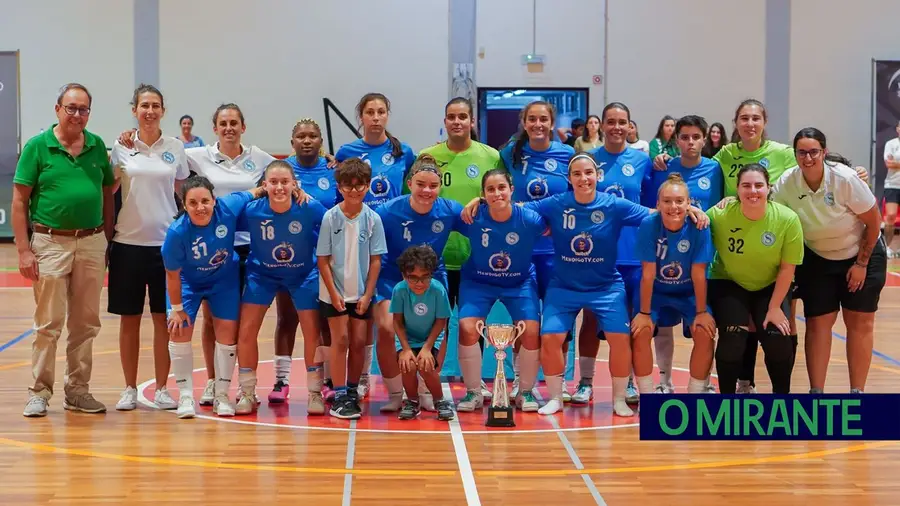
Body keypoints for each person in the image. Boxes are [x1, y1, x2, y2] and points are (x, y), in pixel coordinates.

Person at [118, 103, 278, 406]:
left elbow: (282, 175)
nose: (229, 127)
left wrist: (325, 161)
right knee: (208, 320)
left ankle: (243, 387)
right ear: (214, 127)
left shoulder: (260, 158)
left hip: (247, 248)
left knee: (237, 323)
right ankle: (210, 386)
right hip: (207, 244)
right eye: (223, 123)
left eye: (234, 122)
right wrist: (131, 137)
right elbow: (161, 155)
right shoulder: (195, 154)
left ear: (243, 126)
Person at [516, 154, 654, 416]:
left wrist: (689, 210)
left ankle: (618, 399)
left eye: (588, 173)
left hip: (606, 287)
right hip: (564, 286)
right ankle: (556, 397)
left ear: (597, 176)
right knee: (551, 337)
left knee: (619, 338)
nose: (583, 178)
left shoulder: (614, 205)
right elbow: (519, 209)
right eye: (577, 174)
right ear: (569, 178)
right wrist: (540, 223)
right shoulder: (556, 203)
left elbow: (653, 215)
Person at [15, 83, 114, 417]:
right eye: (71, 108)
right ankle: (39, 392)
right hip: (49, 242)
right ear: (57, 109)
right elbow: (19, 202)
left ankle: (78, 391)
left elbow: (107, 192)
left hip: (91, 242)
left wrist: (107, 241)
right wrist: (24, 251)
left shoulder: (98, 146)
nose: (77, 114)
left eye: (83, 109)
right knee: (48, 323)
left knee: (86, 324)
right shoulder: (37, 147)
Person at [774, 128, 886, 393]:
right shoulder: (787, 183)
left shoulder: (844, 179)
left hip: (861, 253)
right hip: (818, 258)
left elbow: (873, 222)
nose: (808, 157)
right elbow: (775, 219)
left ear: (824, 152)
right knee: (818, 323)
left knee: (858, 322)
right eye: (802, 152)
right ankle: (817, 393)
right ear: (795, 154)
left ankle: (856, 393)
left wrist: (860, 265)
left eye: (814, 151)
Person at [109, 84, 190, 412]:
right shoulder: (121, 146)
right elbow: (110, 187)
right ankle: (129, 388)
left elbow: (182, 190)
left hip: (166, 246)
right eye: (144, 105)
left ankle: (161, 388)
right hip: (127, 243)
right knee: (130, 319)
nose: (150, 111)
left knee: (163, 319)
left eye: (156, 105)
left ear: (163, 111)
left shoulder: (176, 147)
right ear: (135, 109)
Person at [162, 177, 266, 418]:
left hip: (223, 280)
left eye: (205, 201)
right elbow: (172, 275)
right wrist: (177, 308)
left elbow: (254, 191)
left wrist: (284, 188)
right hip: (188, 283)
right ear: (185, 206)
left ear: (214, 200)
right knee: (178, 329)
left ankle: (221, 395)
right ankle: (186, 396)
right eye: (193, 203)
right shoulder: (177, 232)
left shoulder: (228, 207)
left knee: (227, 335)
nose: (200, 207)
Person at [336, 92, 416, 400]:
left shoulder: (402, 151)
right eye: (370, 112)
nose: (376, 117)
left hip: (393, 233)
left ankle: (405, 377)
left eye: (381, 111)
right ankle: (364, 375)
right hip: (359, 231)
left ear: (387, 115)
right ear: (361, 117)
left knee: (387, 307)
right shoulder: (347, 150)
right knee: (362, 305)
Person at [374, 154, 464, 412]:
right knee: (387, 328)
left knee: (438, 327)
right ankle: (394, 393)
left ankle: (425, 387)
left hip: (432, 278)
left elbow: (481, 221)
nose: (427, 191)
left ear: (440, 187)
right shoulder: (388, 211)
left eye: (433, 186)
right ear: (410, 183)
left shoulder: (449, 209)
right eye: (421, 184)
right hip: (392, 277)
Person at [234, 161, 325, 415]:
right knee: (247, 329)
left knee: (311, 332)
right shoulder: (252, 210)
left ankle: (314, 392)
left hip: (302, 274)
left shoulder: (309, 207)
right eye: (273, 182)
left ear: (295, 185)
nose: (279, 187)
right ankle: (247, 392)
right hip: (261, 274)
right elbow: (225, 216)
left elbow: (333, 226)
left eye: (285, 182)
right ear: (264, 186)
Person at [577, 102, 653, 404]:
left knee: (634, 320)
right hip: (598, 253)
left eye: (622, 121)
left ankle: (631, 381)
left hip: (634, 252)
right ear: (602, 125)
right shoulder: (588, 160)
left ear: (630, 126)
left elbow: (651, 204)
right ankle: (584, 382)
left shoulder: (643, 161)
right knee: (591, 318)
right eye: (611, 121)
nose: (616, 127)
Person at [500, 100, 576, 400]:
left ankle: (560, 380)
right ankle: (521, 380)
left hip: (558, 250)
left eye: (543, 119)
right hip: (523, 248)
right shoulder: (510, 154)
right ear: (524, 122)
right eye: (532, 119)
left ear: (552, 122)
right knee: (526, 316)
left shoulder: (567, 154)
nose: (538, 125)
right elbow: (498, 191)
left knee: (559, 318)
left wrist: (555, 223)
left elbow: (575, 198)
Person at [705, 164, 804, 394]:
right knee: (732, 339)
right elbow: (698, 220)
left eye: (759, 185)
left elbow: (788, 269)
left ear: (769, 188)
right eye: (746, 186)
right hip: (729, 281)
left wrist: (774, 307)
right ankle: (727, 400)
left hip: (771, 285)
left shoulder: (787, 219)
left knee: (777, 338)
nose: (753, 191)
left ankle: (782, 398)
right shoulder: (720, 215)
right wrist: (694, 211)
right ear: (736, 190)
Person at [642, 115, 722, 394]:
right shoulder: (664, 167)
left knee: (704, 326)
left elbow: (722, 206)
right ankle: (663, 380)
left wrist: (700, 213)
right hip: (666, 256)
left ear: (705, 139)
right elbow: (657, 207)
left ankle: (703, 382)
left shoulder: (715, 169)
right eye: (684, 137)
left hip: (701, 256)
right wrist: (688, 210)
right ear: (676, 140)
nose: (690, 142)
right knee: (663, 326)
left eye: (695, 137)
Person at [455, 169, 546, 413]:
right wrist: (476, 202)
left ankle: (523, 391)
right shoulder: (472, 216)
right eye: (490, 190)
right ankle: (474, 391)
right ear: (483, 194)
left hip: (519, 282)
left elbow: (551, 224)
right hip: (478, 282)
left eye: (501, 188)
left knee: (531, 329)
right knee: (466, 327)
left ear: (511, 190)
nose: (497, 193)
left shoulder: (530, 219)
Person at [269, 118, 338, 404]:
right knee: (287, 318)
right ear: (292, 141)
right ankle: (281, 380)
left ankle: (326, 380)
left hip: (324, 257)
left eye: (312, 136)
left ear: (321, 142)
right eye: (301, 136)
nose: (307, 141)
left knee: (323, 321)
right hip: (289, 256)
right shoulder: (282, 172)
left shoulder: (334, 170)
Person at [631, 174, 716, 394]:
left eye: (679, 201)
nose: (673, 206)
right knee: (640, 331)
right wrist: (644, 313)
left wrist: (701, 312)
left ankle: (695, 393)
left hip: (688, 292)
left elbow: (699, 273)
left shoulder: (699, 227)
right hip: (657, 291)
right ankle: (647, 394)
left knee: (705, 331)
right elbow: (648, 274)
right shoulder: (649, 224)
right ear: (658, 204)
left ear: (689, 204)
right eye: (667, 201)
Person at [317, 158, 387, 419]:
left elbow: (376, 259)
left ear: (368, 186)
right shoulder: (330, 217)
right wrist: (334, 294)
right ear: (339, 186)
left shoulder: (373, 219)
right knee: (341, 341)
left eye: (360, 186)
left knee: (359, 342)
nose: (354, 191)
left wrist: (368, 294)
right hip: (333, 293)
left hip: (360, 293)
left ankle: (352, 388)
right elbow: (322, 259)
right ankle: (339, 395)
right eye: (348, 186)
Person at [391, 245, 455, 421]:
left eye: (424, 277)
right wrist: (405, 349)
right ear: (405, 275)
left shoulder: (438, 290)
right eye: (413, 278)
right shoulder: (399, 290)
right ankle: (412, 401)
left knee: (427, 367)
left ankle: (440, 401)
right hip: (408, 339)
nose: (419, 283)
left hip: (431, 338)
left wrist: (427, 348)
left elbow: (441, 321)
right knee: (408, 365)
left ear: (431, 274)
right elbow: (397, 321)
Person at [882, 120, 900, 257]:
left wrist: (897, 163)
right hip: (892, 185)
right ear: (897, 129)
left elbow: (894, 163)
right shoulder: (891, 144)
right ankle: (887, 248)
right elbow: (889, 163)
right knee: (891, 216)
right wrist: (894, 164)